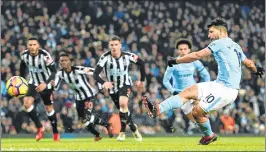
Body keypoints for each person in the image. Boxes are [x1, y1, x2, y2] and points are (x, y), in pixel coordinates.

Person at [142, 18, 264, 145]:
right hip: (218, 84)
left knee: (197, 112)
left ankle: (208, 135)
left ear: (221, 31)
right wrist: (256, 70)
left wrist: (176, 61)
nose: (209, 35)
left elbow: (197, 55)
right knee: (188, 91)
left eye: (211, 32)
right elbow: (249, 63)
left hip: (227, 90)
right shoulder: (236, 46)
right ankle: (158, 109)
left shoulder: (219, 43)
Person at [93, 35, 145, 142]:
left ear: (120, 46)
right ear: (109, 46)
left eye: (116, 45)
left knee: (122, 104)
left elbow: (142, 63)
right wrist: (104, 82)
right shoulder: (104, 57)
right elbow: (95, 74)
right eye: (112, 45)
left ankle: (122, 133)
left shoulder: (127, 56)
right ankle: (134, 129)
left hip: (124, 84)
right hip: (112, 88)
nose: (114, 47)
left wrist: (142, 80)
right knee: (123, 111)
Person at [53, 53, 113, 141]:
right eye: (61, 61)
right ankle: (97, 135)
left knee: (87, 117)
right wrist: (50, 85)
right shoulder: (60, 74)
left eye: (66, 60)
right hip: (78, 98)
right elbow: (55, 87)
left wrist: (101, 86)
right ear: (59, 63)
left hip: (89, 95)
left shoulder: (78, 69)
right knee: (83, 121)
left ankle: (107, 125)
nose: (63, 62)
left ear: (70, 62)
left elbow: (95, 72)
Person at [162, 38, 210, 133]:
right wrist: (173, 91)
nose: (183, 51)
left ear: (189, 50)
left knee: (198, 114)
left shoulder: (194, 61)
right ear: (177, 51)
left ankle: (203, 131)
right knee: (182, 115)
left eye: (185, 49)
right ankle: (177, 129)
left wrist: (205, 88)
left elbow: (206, 75)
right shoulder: (173, 64)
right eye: (180, 49)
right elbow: (165, 81)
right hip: (180, 93)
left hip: (193, 92)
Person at [20, 37, 60, 141]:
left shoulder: (45, 56)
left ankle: (55, 132)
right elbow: (22, 67)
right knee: (26, 103)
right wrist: (21, 80)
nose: (32, 47)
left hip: (46, 83)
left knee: (49, 108)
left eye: (34, 45)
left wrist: (45, 84)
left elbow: (54, 71)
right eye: (30, 45)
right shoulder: (24, 55)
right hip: (33, 82)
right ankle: (39, 127)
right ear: (27, 46)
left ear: (38, 46)